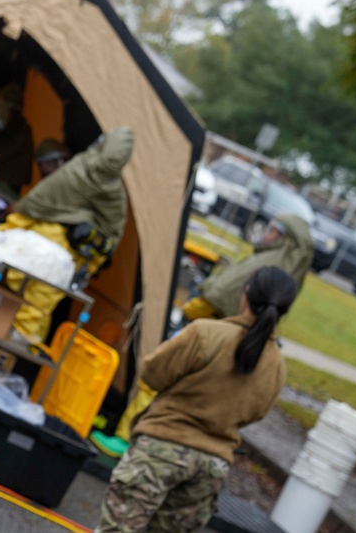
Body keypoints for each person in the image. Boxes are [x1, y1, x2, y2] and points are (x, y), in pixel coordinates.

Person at [96, 266, 298, 532]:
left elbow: (153, 374)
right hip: (211, 467)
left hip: (162, 448)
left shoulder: (205, 333)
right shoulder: (276, 366)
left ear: (246, 293)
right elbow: (256, 413)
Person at [1, 127, 135, 343]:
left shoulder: (78, 168)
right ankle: (18, 349)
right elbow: (111, 239)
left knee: (9, 295)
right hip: (68, 262)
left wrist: (6, 228)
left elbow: (37, 201)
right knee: (37, 310)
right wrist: (89, 266)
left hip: (32, 249)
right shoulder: (117, 194)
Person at [183, 213, 313, 321]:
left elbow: (223, 291)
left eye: (271, 230)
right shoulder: (286, 264)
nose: (266, 234)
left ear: (283, 238)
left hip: (212, 319)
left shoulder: (268, 262)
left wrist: (192, 311)